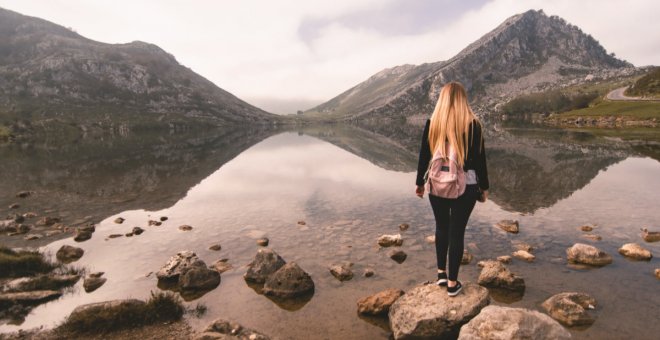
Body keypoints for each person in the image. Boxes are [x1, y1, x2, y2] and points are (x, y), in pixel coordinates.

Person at [415, 81, 489, 297]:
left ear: (442, 100)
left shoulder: (433, 123)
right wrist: (484, 188)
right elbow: (480, 161)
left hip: (437, 184)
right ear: (462, 100)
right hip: (466, 187)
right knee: (457, 232)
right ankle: (452, 284)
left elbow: (424, 157)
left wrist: (420, 183)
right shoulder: (473, 125)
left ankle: (441, 274)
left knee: (441, 227)